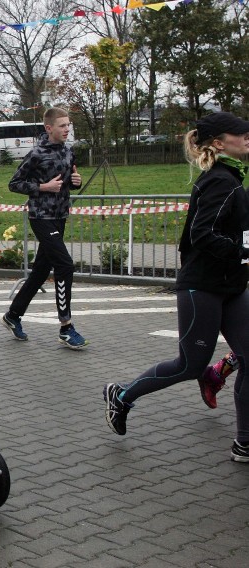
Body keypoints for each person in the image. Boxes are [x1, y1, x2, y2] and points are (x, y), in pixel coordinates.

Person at [103, 111, 249, 464]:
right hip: (203, 287)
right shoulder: (219, 181)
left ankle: (244, 442)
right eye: (241, 134)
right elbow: (204, 234)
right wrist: (244, 252)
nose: (248, 138)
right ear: (219, 142)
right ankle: (121, 396)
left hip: (233, 284)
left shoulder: (232, 178)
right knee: (189, 365)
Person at [1, 108, 86, 349]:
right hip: (41, 216)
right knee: (64, 265)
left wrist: (75, 182)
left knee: (41, 270)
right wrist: (43, 187)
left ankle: (13, 315)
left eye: (68, 125)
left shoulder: (69, 151)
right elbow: (14, 184)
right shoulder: (36, 153)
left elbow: (68, 180)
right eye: (62, 126)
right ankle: (66, 327)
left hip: (60, 215)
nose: (67, 129)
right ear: (49, 128)